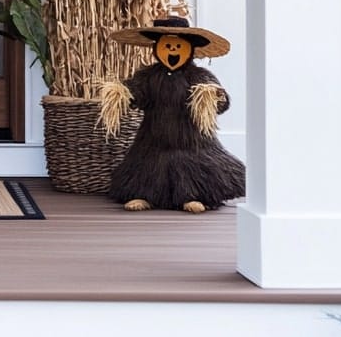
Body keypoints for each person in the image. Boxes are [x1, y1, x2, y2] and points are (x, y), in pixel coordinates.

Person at [99, 16, 245, 213]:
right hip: (153, 140)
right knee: (148, 167)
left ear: (190, 49)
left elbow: (221, 102)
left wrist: (212, 97)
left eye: (178, 46)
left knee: (190, 169)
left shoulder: (200, 76)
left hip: (191, 143)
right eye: (167, 45)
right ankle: (144, 196)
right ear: (157, 48)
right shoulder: (148, 76)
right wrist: (120, 94)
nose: (172, 50)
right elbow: (136, 94)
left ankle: (192, 196)